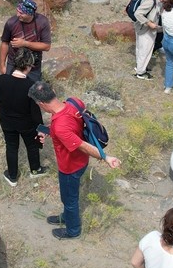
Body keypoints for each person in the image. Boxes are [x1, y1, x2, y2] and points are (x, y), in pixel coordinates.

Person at [30, 80, 121, 240]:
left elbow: (82, 145)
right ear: (53, 90)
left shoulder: (60, 127)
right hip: (80, 160)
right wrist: (48, 131)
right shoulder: (73, 102)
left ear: (41, 103)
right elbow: (75, 125)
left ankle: (73, 230)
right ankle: (66, 217)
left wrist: (106, 157)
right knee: (68, 198)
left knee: (69, 199)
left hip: (70, 166)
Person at [0, 48, 45, 187]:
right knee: (32, 146)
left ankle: (12, 175)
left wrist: (0, 110)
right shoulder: (30, 86)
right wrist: (41, 129)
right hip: (26, 124)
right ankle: (35, 170)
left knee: (11, 146)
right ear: (28, 66)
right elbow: (35, 113)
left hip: (6, 121)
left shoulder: (1, 79)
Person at [0, 0, 52, 79]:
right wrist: (2, 66)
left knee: (31, 89)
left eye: (21, 13)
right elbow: (5, 43)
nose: (17, 15)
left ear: (30, 14)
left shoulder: (42, 22)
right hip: (13, 63)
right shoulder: (11, 23)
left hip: (32, 64)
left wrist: (25, 43)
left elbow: (46, 46)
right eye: (17, 11)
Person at [132, 0, 165, 80]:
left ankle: (140, 67)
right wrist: (149, 23)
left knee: (141, 49)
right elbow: (138, 13)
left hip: (142, 28)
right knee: (145, 50)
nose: (163, 1)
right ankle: (141, 72)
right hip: (145, 29)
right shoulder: (151, 0)